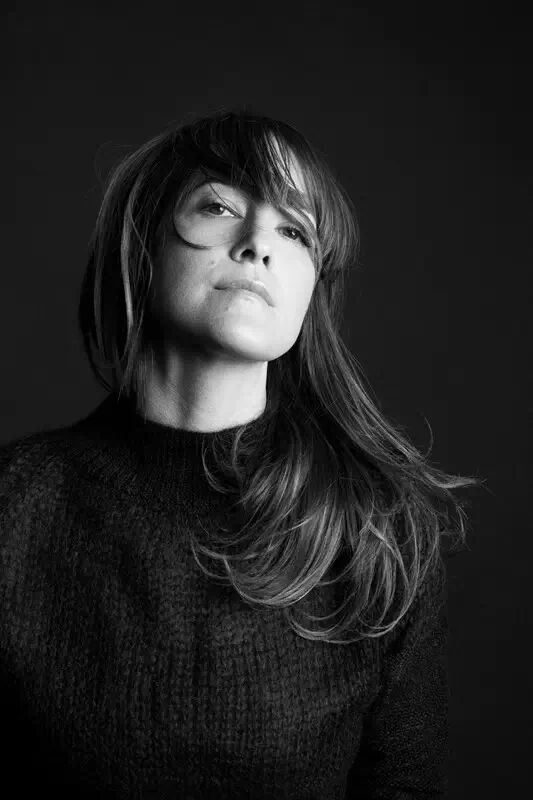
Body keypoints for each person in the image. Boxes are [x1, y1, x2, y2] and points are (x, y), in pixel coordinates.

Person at [0, 107, 479, 799]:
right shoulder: (15, 507)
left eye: (294, 230)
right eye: (219, 206)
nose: (257, 244)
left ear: (312, 291)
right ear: (143, 242)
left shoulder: (378, 534)